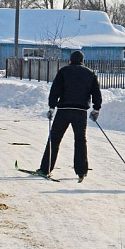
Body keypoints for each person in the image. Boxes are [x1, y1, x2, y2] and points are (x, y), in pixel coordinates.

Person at [37, 50, 102, 182]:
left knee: (54, 139)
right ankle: (81, 171)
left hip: (64, 110)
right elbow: (96, 92)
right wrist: (96, 109)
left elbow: (55, 90)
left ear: (70, 60)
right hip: (80, 111)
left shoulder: (64, 71)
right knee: (80, 140)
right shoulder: (90, 73)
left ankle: (46, 168)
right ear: (82, 61)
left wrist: (51, 107)